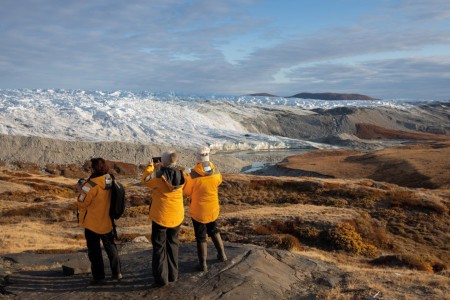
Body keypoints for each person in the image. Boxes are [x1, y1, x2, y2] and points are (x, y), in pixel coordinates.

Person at [141, 151, 186, 287]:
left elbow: (145, 180)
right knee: (173, 243)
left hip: (161, 216)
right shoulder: (182, 174)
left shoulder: (158, 175)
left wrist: (150, 167)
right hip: (176, 215)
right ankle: (173, 275)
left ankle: (161, 279)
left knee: (159, 247)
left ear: (162, 161)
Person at [76, 157, 122, 285]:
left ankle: (99, 277)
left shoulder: (90, 186)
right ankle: (117, 272)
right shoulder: (109, 179)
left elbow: (82, 203)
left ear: (93, 169)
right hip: (107, 220)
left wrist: (81, 189)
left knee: (94, 250)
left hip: (92, 223)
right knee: (110, 247)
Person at [184, 146, 227, 272]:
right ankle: (222, 255)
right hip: (213, 208)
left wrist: (186, 176)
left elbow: (186, 191)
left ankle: (203, 264)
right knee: (214, 229)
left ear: (197, 157)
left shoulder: (192, 176)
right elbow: (219, 181)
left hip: (198, 210)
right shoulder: (216, 172)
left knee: (201, 236)